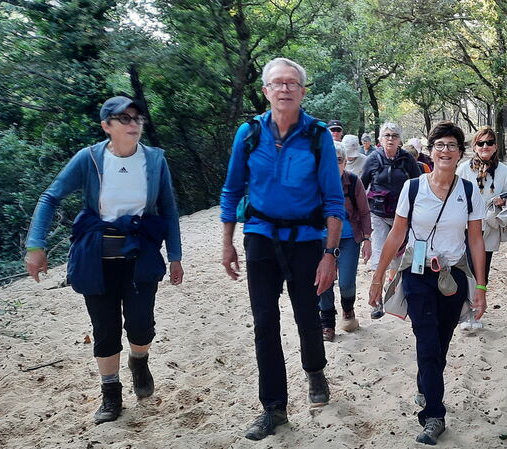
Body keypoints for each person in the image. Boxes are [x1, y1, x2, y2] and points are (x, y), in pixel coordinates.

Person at [24, 95, 184, 424]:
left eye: (137, 118)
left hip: (140, 255)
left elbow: (168, 209)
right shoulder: (90, 158)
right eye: (124, 118)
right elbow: (50, 196)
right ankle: (111, 393)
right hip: (95, 258)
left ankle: (139, 361)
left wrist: (175, 256)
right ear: (106, 126)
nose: (133, 124)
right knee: (105, 330)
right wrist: (35, 244)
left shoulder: (154, 160)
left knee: (141, 326)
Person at [219, 57, 345, 441]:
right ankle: (273, 407)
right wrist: (227, 242)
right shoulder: (249, 133)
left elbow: (333, 200)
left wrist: (330, 254)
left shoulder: (317, 136)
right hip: (260, 236)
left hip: (306, 240)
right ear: (266, 91)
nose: (285, 88)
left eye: (292, 83)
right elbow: (231, 189)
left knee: (308, 315)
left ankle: (315, 370)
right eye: (278, 83)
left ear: (303, 91)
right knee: (264, 322)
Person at [368, 121, 487, 445]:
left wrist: (480, 287)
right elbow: (396, 234)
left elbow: (476, 240)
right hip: (417, 274)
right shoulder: (413, 188)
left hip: (454, 276)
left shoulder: (469, 191)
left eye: (452, 145)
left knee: (441, 343)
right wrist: (378, 278)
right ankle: (434, 415)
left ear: (460, 153)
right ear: (430, 151)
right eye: (440, 145)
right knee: (428, 342)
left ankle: (426, 384)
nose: (445, 151)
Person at [360, 122, 422, 317]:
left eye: (394, 136)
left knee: (398, 259)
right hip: (378, 214)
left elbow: (419, 185)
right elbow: (361, 186)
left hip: (402, 217)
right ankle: (376, 301)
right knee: (379, 256)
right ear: (380, 138)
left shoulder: (407, 160)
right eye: (387, 135)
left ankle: (392, 292)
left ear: (400, 140)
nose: (390, 139)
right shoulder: (372, 159)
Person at [456, 126, 507, 330]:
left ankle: (475, 312)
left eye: (489, 143)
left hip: (488, 227)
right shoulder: (464, 169)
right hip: (465, 227)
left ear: (495, 146)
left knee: (482, 270)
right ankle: (464, 312)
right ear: (474, 146)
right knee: (465, 268)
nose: (485, 146)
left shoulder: (504, 171)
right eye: (480, 143)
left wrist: (503, 202)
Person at [319, 143, 373, 341]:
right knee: (323, 281)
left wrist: (367, 239)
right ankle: (327, 323)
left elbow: (365, 212)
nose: (334, 165)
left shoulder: (353, 181)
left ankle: (348, 309)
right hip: (321, 239)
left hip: (349, 238)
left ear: (345, 162)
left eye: (339, 160)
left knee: (346, 282)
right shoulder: (314, 182)